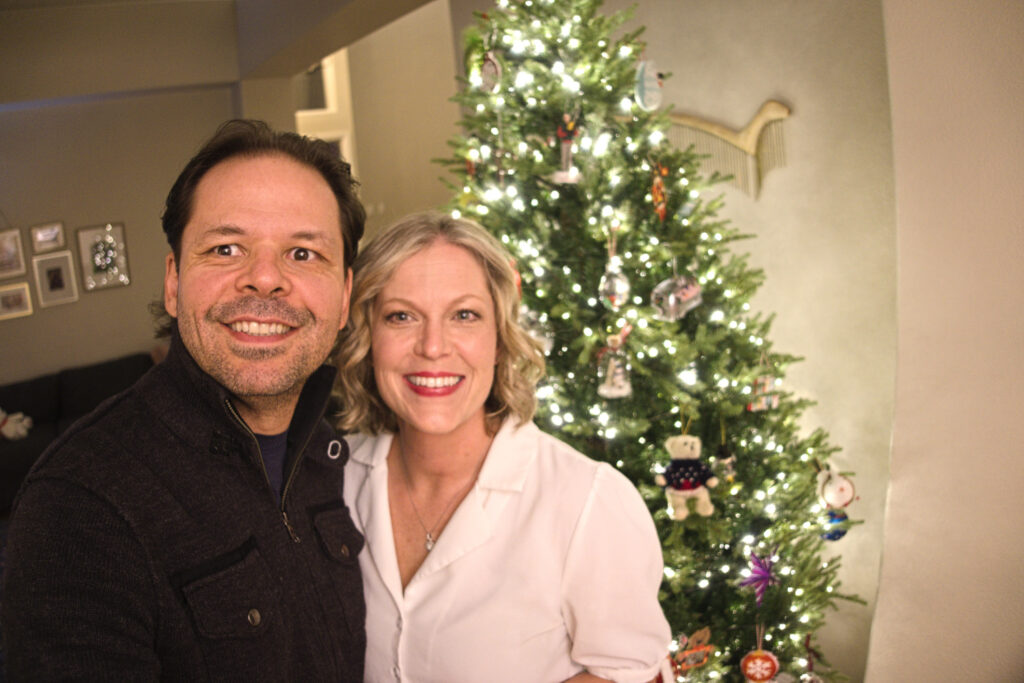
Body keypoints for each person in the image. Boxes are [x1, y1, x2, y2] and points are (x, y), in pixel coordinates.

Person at [1, 120, 367, 680]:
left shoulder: (333, 453)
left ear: (343, 297)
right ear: (173, 283)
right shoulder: (80, 507)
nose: (264, 279)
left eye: (302, 253)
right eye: (226, 248)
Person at [334, 212, 670, 682]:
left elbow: (631, 673)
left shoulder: (586, 499)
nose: (433, 347)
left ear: (499, 339)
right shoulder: (331, 479)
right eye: (402, 316)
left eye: (464, 316)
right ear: (370, 336)